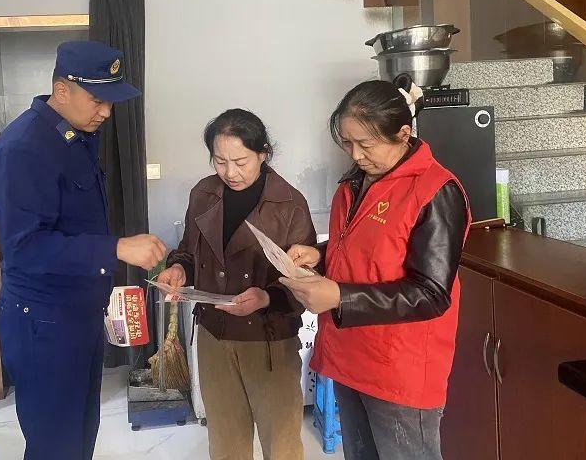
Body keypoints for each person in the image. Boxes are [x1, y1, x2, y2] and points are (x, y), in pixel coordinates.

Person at [0, 41, 166, 460]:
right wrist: (116, 248)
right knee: (56, 445)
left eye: (111, 101)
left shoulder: (75, 137)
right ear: (62, 90)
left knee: (80, 436)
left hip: (76, 315)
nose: (106, 112)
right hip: (44, 323)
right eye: (98, 100)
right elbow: (26, 248)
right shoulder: (25, 149)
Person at [281, 78, 470, 460]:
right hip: (350, 354)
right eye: (347, 143)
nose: (356, 154)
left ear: (403, 134)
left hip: (398, 368)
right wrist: (320, 254)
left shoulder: (435, 191)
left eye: (365, 144)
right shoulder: (354, 183)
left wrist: (340, 296)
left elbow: (431, 294)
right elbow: (368, 249)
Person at [155, 109, 315, 460]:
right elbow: (188, 251)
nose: (230, 172)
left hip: (269, 340)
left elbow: (306, 283)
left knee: (282, 444)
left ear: (263, 153)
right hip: (214, 335)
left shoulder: (289, 204)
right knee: (225, 442)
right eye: (220, 161)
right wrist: (179, 270)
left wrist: (266, 298)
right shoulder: (204, 193)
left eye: (240, 161)